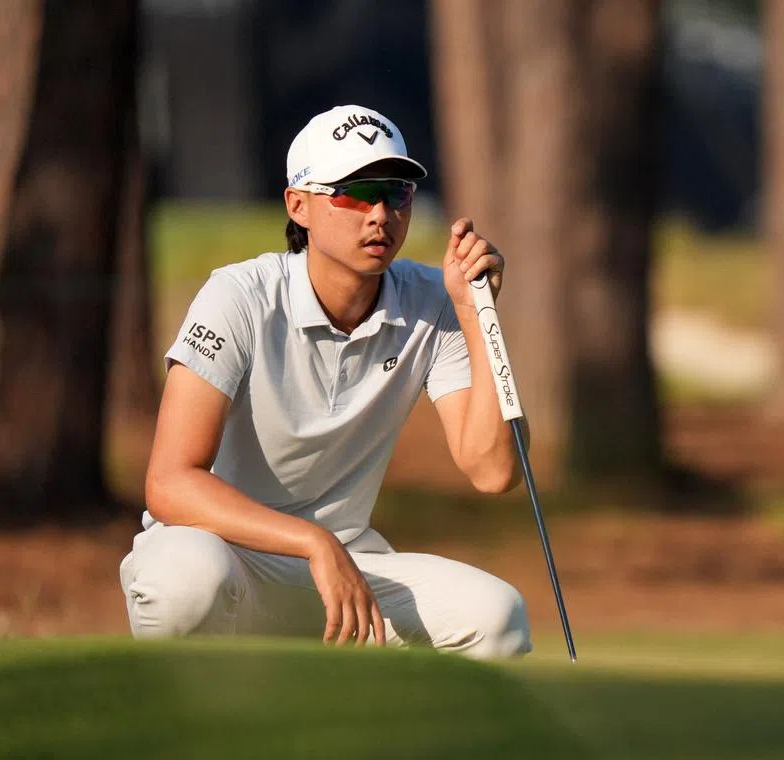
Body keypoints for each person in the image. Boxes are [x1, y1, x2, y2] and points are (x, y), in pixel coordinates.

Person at [119, 105, 531, 659]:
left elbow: (494, 470)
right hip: (221, 551)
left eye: (395, 192)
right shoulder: (238, 297)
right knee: (186, 585)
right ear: (299, 205)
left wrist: (476, 313)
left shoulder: (435, 302)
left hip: (346, 565)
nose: (379, 214)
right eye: (353, 193)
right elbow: (169, 483)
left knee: (496, 617)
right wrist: (313, 542)